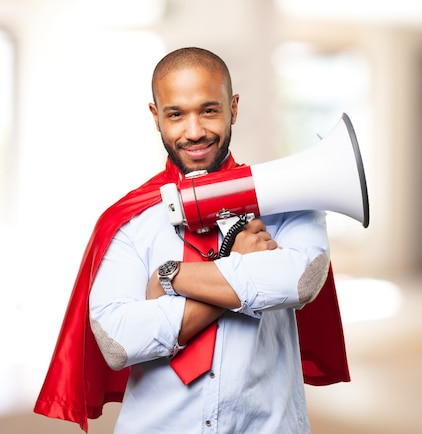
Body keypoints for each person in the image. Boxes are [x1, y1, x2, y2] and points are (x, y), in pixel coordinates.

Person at [34, 47, 349, 433]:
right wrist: (236, 266)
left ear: (233, 107)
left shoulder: (291, 197)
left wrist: (173, 276)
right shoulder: (130, 221)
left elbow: (299, 281)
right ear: (156, 117)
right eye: (176, 114)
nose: (195, 131)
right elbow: (118, 341)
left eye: (209, 110)